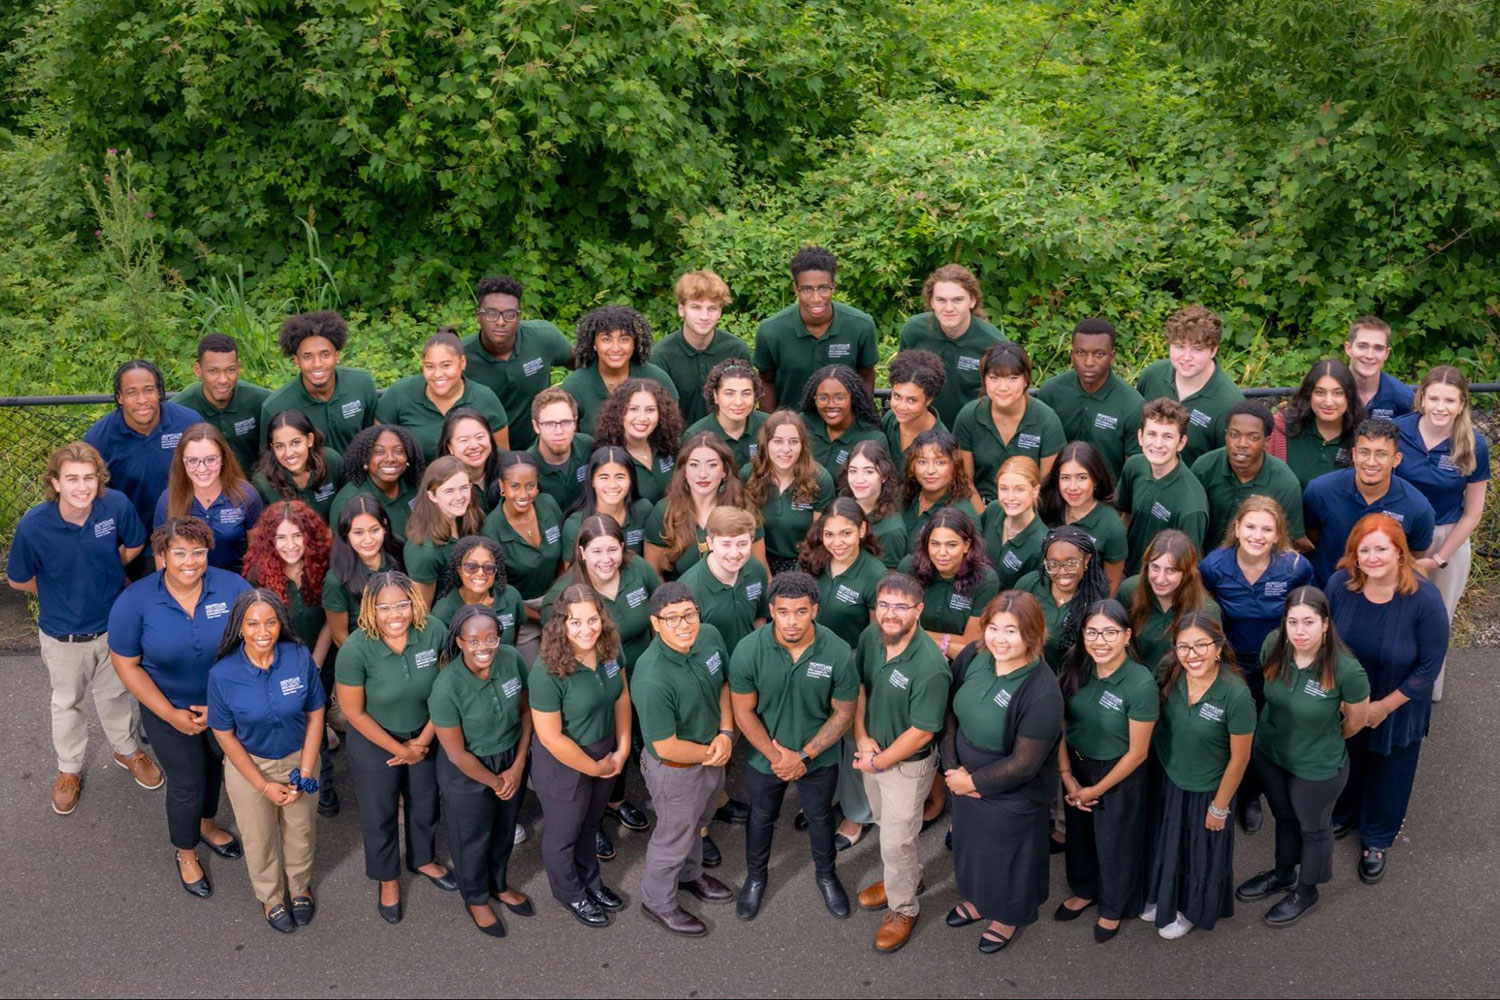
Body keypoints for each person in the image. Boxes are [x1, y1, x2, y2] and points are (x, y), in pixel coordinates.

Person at [7, 441, 158, 815]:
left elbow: (134, 544)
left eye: (89, 478)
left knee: (116, 694)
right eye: (72, 479)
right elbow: (18, 579)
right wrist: (58, 587)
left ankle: (126, 750)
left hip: (113, 628)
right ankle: (69, 769)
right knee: (67, 702)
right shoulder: (34, 526)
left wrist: (106, 570)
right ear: (55, 483)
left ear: (99, 480)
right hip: (64, 635)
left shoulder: (115, 506)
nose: (82, 486)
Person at [107, 517, 251, 898]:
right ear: (162, 555)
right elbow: (127, 666)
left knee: (215, 768)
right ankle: (185, 852)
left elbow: (254, 646)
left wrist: (222, 705)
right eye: (180, 553)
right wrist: (171, 714)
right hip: (167, 708)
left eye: (198, 552)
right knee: (187, 782)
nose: (191, 562)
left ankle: (207, 826)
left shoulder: (233, 588)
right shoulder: (135, 602)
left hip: (224, 706)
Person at [729, 572, 859, 920]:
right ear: (772, 610)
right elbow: (743, 712)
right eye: (783, 612)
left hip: (818, 758)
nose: (791, 621)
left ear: (814, 609)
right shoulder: (748, 650)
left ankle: (827, 875)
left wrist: (804, 756)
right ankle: (756, 878)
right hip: (765, 759)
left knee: (820, 817)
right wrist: (778, 757)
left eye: (801, 611)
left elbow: (844, 712)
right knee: (761, 817)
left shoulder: (837, 651)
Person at [1237, 587, 1369, 926]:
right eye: (1292, 622)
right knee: (1284, 817)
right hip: (1271, 752)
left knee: (1314, 829)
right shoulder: (1274, 645)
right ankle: (1283, 874)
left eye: (1308, 622)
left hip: (1315, 766)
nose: (1299, 631)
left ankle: (1307, 891)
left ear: (1325, 623)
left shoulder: (1347, 670)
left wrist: (1320, 739)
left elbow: (1356, 722)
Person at [941, 591, 1065, 953]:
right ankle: (980, 901)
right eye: (993, 628)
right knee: (973, 848)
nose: (999, 639)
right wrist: (952, 768)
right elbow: (948, 712)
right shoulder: (974, 655)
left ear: (1033, 633)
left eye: (1011, 631)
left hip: (1012, 793)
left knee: (1008, 858)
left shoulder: (1042, 691)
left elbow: (1025, 763)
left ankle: (1007, 916)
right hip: (963, 779)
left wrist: (975, 782)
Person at [1327, 515, 1447, 885]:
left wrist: (1381, 707)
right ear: (1354, 555)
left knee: (1390, 772)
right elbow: (1326, 643)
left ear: (1400, 553)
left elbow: (1429, 667)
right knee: (1347, 760)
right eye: (1364, 550)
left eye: (1382, 549)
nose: (1373, 557)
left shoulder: (1424, 599)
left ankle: (1376, 839)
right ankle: (1344, 815)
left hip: (1397, 704)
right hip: (1346, 702)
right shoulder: (1339, 585)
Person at [334, 571, 456, 923]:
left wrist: (424, 740)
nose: (394, 614)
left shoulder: (433, 631)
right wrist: (401, 751)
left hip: (424, 733)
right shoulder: (355, 649)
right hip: (375, 738)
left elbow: (447, 689)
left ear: (414, 603)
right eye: (383, 607)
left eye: (402, 604)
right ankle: (387, 878)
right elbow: (353, 712)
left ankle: (423, 859)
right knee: (379, 812)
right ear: (370, 609)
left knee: (425, 802)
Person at [207, 590, 325, 933]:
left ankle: (299, 887)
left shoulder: (298, 657)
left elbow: (316, 714)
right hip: (250, 766)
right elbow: (224, 735)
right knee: (259, 838)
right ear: (239, 628)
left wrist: (305, 771)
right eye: (253, 624)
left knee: (301, 830)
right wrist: (262, 785)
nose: (263, 631)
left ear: (281, 624)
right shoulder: (223, 674)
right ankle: (271, 897)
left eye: (271, 622)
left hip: (299, 759)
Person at [541, 517, 661, 852]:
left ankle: (615, 800)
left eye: (612, 549)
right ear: (581, 552)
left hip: (644, 674)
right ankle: (589, 820)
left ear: (623, 548)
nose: (606, 559)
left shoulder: (639, 570)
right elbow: (557, 649)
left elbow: (659, 614)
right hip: (593, 682)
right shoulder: (563, 594)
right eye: (596, 551)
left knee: (633, 740)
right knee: (597, 745)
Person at [851, 572, 953, 953]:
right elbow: (860, 687)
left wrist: (879, 762)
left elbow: (922, 732)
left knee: (897, 841)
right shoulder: (871, 637)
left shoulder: (930, 665)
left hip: (905, 766)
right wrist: (861, 738)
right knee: (885, 827)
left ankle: (904, 907)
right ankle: (907, 879)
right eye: (884, 605)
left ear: (918, 610)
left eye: (900, 607)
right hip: (872, 754)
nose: (890, 614)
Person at [632, 583, 737, 936]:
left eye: (689, 614)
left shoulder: (709, 636)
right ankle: (657, 902)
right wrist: (715, 752)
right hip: (676, 770)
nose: (684, 625)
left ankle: (690, 875)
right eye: (672, 618)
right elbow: (665, 746)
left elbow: (723, 685)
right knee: (673, 838)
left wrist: (726, 733)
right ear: (655, 623)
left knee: (697, 823)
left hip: (713, 753)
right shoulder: (651, 677)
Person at [1144, 613, 1254, 939]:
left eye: (1201, 646)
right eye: (1183, 647)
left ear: (1218, 647)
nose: (1192, 655)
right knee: (1168, 843)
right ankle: (1164, 898)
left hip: (1208, 789)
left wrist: (1219, 807)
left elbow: (1240, 758)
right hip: (1172, 776)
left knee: (1199, 854)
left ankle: (1192, 911)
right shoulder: (1173, 672)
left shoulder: (1236, 695)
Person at [529, 584, 633, 926]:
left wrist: (623, 748)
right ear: (561, 623)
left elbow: (621, 697)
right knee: (563, 835)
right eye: (575, 622)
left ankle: (592, 882)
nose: (586, 629)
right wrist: (594, 767)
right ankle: (570, 892)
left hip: (605, 752)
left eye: (592, 620)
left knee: (590, 823)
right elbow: (550, 736)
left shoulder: (609, 648)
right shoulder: (546, 671)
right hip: (564, 764)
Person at [1055, 600, 1157, 942]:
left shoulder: (1140, 683)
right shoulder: (1076, 667)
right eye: (1092, 632)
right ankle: (1084, 889)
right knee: (1079, 835)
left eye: (1110, 633)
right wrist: (1067, 776)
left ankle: (1114, 906)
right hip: (1077, 766)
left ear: (1127, 636)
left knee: (1116, 842)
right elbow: (1061, 723)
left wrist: (1095, 791)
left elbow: (1138, 753)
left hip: (1118, 773)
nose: (1100, 641)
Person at [429, 605, 533, 937]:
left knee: (504, 829)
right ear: (460, 642)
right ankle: (475, 897)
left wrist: (518, 766)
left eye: (491, 638)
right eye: (473, 640)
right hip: (468, 772)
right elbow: (457, 753)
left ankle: (498, 884)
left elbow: (526, 711)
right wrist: (496, 781)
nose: (483, 647)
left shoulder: (512, 659)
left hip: (511, 758)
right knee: (472, 838)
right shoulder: (446, 687)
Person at [1393, 366, 1489, 699]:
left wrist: (1439, 558)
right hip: (1400, 536)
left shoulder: (1473, 444)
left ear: (1462, 404)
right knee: (1396, 611)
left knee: (1438, 618)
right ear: (1421, 398)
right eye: (1434, 398)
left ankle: (1427, 690)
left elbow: (1473, 512)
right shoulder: (1398, 431)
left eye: (1450, 400)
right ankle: (1392, 685)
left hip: (1448, 537)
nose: (1440, 407)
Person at [244, 500, 338, 811]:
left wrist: (315, 663)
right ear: (270, 540)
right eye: (281, 537)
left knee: (316, 719)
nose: (290, 545)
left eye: (297, 536)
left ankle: (323, 787)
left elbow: (331, 619)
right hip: (279, 664)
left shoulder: (324, 566)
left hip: (319, 659)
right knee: (292, 723)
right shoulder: (258, 575)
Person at [84, 360, 201, 563]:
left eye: (149, 390)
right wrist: (117, 563)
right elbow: (94, 502)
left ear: (160, 392)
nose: (142, 400)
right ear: (119, 397)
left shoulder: (189, 423)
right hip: (134, 547)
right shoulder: (99, 439)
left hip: (188, 540)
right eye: (131, 392)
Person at [1303, 417, 1436, 585]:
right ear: (1354, 454)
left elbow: (1412, 555)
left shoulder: (1417, 508)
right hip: (1325, 589)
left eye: (1381, 454)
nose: (1371, 462)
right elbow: (1312, 536)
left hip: (1382, 593)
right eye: (1364, 452)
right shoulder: (1321, 490)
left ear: (1396, 459)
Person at [753, 245, 877, 412]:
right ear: (795, 289)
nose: (816, 298)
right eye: (807, 289)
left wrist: (861, 419)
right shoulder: (771, 331)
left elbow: (866, 376)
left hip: (844, 422)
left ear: (834, 286)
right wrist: (772, 423)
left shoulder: (860, 326)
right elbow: (766, 381)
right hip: (792, 423)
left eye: (824, 288)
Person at [461, 274, 574, 452]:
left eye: (510, 315)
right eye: (491, 314)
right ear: (478, 316)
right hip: (485, 452)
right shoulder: (461, 357)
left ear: (519, 316)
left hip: (540, 449)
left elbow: (584, 365)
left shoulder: (543, 338)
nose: (500, 322)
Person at [644, 432, 765, 580]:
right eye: (694, 465)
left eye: (712, 465)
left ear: (725, 471)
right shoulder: (664, 511)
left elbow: (759, 568)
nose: (702, 474)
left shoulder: (743, 507)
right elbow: (654, 575)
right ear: (684, 471)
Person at [955, 342, 1065, 503]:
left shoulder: (1046, 420)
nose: (1003, 387)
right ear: (984, 379)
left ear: (1026, 379)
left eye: (1013, 378)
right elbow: (965, 482)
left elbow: (1047, 487)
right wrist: (985, 516)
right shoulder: (969, 416)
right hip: (980, 507)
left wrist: (1020, 515)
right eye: (994, 378)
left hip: (1030, 508)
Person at [896, 264, 1006, 426]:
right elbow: (901, 381)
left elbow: (1005, 397)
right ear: (932, 302)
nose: (949, 308)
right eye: (941, 300)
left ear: (972, 301)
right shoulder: (914, 331)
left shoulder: (994, 344)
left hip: (972, 429)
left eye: (957, 300)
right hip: (922, 427)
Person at [1134, 305, 1244, 465]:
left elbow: (1229, 465)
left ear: (1213, 351)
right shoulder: (1152, 376)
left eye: (1197, 349)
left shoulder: (1229, 404)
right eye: (1179, 346)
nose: (1186, 357)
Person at [376, 328, 510, 460]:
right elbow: (377, 449)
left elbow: (502, 458)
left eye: (446, 365)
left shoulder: (484, 398)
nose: (437, 374)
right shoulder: (400, 393)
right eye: (429, 367)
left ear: (462, 363)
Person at [1037, 317, 1144, 479]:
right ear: (1072, 354)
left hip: (1108, 491)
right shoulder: (1051, 392)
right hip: (1058, 487)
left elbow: (1133, 471)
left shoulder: (1132, 405)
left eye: (1099, 354)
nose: (1088, 362)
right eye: (1081, 353)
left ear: (1112, 357)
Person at [482, 451, 563, 664]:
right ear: (502, 486)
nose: (524, 494)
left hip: (557, 599)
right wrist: (543, 617)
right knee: (533, 669)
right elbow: (501, 590)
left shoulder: (548, 504)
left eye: (530, 486)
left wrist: (558, 604)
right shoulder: (492, 529)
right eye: (515, 486)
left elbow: (563, 559)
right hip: (522, 610)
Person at [1191, 402, 1306, 550]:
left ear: (1266, 441)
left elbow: (1286, 543)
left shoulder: (1285, 484)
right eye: (1234, 435)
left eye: (1253, 437)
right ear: (1226, 435)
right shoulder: (1204, 467)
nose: (1241, 444)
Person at [260, 310, 377, 454]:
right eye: (307, 357)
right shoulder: (276, 406)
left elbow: (374, 438)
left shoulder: (361, 384)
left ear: (337, 356)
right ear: (296, 360)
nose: (317, 364)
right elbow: (269, 460)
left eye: (325, 354)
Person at [154, 423, 263, 574]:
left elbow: (258, 553)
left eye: (210, 459)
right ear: (182, 462)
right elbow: (161, 558)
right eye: (192, 461)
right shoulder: (168, 500)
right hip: (188, 582)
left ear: (223, 459)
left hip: (237, 581)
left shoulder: (246, 495)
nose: (202, 468)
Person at [1115, 398, 1209, 573]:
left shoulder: (1191, 506)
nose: (1158, 444)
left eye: (1168, 437)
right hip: (1125, 570)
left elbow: (1188, 566)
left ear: (1181, 443)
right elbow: (1125, 517)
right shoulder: (1134, 466)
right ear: (1140, 437)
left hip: (1159, 582)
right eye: (1152, 434)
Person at [559, 305, 678, 438]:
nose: (615, 348)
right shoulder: (574, 386)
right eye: (606, 339)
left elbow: (672, 430)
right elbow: (569, 441)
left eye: (624, 339)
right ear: (594, 344)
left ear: (634, 344)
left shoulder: (656, 378)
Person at [653, 270, 752, 426]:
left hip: (726, 438)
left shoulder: (736, 350)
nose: (704, 316)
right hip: (677, 439)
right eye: (696, 307)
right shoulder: (661, 355)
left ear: (720, 312)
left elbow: (746, 405)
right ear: (681, 309)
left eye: (712, 308)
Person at [899, 508, 998, 661]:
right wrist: (947, 644)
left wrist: (914, 635)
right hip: (910, 654)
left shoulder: (986, 579)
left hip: (960, 662)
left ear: (966, 545)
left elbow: (971, 643)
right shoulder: (909, 568)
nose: (942, 553)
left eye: (951, 545)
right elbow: (898, 626)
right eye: (935, 544)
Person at [745, 411, 835, 573]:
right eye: (778, 441)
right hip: (758, 560)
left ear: (803, 445)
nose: (786, 449)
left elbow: (819, 541)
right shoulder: (749, 476)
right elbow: (748, 536)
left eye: (793, 442)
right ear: (766, 443)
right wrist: (768, 581)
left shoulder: (820, 479)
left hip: (805, 561)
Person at [1118, 531, 1221, 671]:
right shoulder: (1129, 591)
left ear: (1186, 573)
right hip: (1132, 676)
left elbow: (1209, 663)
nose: (1160, 579)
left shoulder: (1206, 610)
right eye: (1155, 567)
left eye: (1171, 570)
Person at [1013, 525, 1112, 672]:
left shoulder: (1096, 603)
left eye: (1071, 563)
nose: (1062, 571)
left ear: (1086, 560)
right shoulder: (1030, 584)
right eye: (1053, 564)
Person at [176, 333, 272, 474]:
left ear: (239, 367)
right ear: (198, 370)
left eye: (230, 370)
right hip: (201, 483)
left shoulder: (262, 401)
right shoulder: (180, 409)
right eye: (213, 371)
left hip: (253, 483)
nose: (223, 380)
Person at [679, 507, 770, 654]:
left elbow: (759, 618)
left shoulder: (756, 570)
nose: (734, 554)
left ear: (752, 541)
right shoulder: (689, 589)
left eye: (742, 544)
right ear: (710, 543)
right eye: (726, 544)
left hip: (751, 659)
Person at [1041, 441, 1128, 594]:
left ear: (1096, 479)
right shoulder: (1049, 507)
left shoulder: (1112, 525)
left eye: (1081, 478)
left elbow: (1111, 584)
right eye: (1065, 478)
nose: (1073, 487)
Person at [323, 496, 404, 655]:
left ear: (385, 526)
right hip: (367, 655)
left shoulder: (399, 551)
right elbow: (340, 637)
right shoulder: (336, 580)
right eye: (358, 533)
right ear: (346, 533)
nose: (368, 540)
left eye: (375, 530)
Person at [801, 499, 886, 649]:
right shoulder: (810, 559)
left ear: (861, 530)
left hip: (849, 658)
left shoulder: (876, 575)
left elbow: (876, 637)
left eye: (846, 533)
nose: (837, 543)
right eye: (829, 534)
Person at [1267, 359, 1365, 488]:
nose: (1328, 402)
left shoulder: (1363, 437)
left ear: (1349, 396)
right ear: (1309, 394)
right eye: (1320, 392)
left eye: (1338, 393)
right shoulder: (1280, 429)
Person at [403, 456, 485, 606]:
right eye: (449, 491)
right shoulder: (423, 550)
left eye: (464, 488)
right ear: (432, 495)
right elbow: (423, 610)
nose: (459, 497)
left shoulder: (472, 518)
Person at [593, 378, 683, 504]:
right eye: (633, 409)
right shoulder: (609, 457)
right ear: (618, 413)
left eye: (650, 410)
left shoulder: (668, 447)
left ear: (661, 414)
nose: (642, 418)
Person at [328, 425, 425, 543]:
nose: (390, 458)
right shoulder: (347, 501)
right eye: (379, 452)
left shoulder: (416, 487)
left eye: (398, 451)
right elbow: (342, 550)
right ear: (365, 460)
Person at [429, 536, 525, 649]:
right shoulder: (443, 612)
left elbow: (515, 636)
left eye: (488, 567)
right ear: (459, 569)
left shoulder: (510, 596)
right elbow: (446, 653)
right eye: (471, 567)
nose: (480, 573)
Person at [560, 446, 655, 559]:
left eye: (620, 477)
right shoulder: (575, 525)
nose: (612, 485)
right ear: (592, 481)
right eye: (604, 477)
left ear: (631, 480)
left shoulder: (644, 510)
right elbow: (572, 569)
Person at [252, 409, 342, 523]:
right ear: (272, 448)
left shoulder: (331, 461)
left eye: (295, 443)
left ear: (310, 440)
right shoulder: (263, 485)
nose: (289, 453)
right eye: (280, 446)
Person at [799, 364, 885, 476]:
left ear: (852, 398)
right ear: (814, 399)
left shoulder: (872, 437)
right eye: (823, 398)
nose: (831, 404)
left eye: (839, 398)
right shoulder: (803, 423)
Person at [684, 358, 768, 470]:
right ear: (715, 396)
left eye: (746, 393)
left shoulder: (769, 426)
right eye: (729, 394)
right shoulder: (695, 436)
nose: (738, 402)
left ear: (755, 395)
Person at [839, 439, 908, 567]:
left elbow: (889, 576)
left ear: (884, 476)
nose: (859, 480)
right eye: (853, 471)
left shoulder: (892, 530)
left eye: (869, 471)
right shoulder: (843, 500)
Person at [980, 455, 1046, 589]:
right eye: (1004, 488)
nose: (1010, 497)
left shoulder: (1041, 543)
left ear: (1035, 491)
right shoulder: (993, 510)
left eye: (1019, 489)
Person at [900, 428, 982, 534]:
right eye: (922, 462)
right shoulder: (903, 497)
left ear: (955, 466)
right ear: (912, 466)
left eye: (940, 463)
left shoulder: (964, 515)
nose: (930, 470)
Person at [527, 387, 595, 513]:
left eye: (566, 422)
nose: (559, 431)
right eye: (549, 424)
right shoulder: (527, 467)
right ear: (536, 426)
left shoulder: (588, 446)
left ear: (575, 422)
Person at [881, 349, 947, 461]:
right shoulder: (890, 419)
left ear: (928, 400)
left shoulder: (940, 442)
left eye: (912, 400)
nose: (901, 407)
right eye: (897, 396)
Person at [1343, 316, 1413, 421]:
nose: (1369, 355)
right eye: (1362, 346)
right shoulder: (1328, 392)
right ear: (1348, 348)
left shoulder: (1404, 398)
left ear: (1387, 353)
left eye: (1378, 348)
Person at [438, 406, 501, 514]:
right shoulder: (440, 483)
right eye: (464, 440)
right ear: (449, 447)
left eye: (480, 437)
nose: (474, 445)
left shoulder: (506, 467)